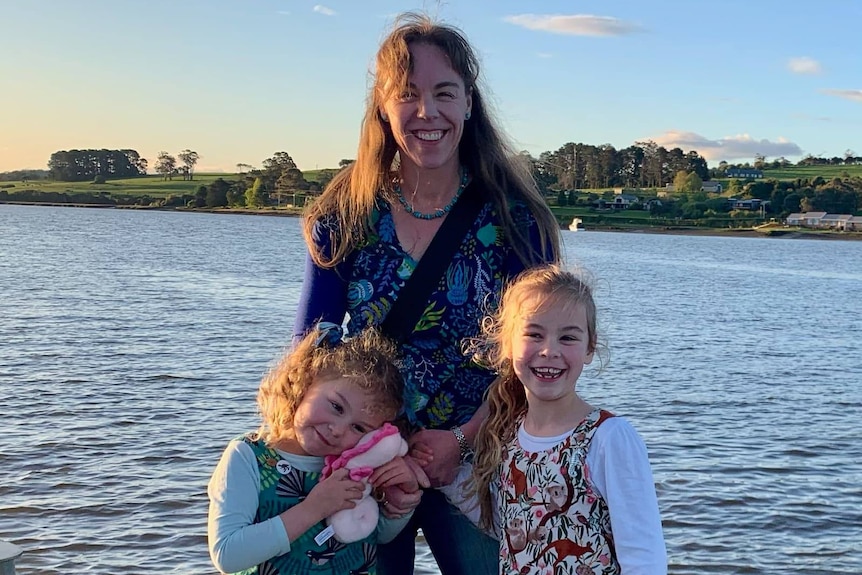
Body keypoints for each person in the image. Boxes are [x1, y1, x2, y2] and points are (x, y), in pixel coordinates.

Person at [292, 11, 562, 574]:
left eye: (444, 92)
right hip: (361, 472)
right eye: (407, 94)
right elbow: (310, 353)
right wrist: (299, 453)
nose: (426, 112)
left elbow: (540, 356)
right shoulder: (344, 216)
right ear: (383, 108)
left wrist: (460, 442)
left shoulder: (518, 223)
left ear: (469, 102)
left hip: (479, 464)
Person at [459, 264, 667, 574]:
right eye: (534, 334)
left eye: (568, 338)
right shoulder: (508, 435)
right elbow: (510, 528)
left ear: (589, 348)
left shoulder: (607, 438)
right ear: (507, 343)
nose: (549, 351)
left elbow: (644, 556)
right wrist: (436, 475)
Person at [207, 325, 426, 575]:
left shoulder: (358, 466)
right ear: (306, 382)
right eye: (336, 406)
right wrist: (314, 508)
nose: (338, 430)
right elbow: (228, 555)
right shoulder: (249, 457)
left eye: (358, 427)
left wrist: (399, 505)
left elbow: (372, 536)